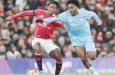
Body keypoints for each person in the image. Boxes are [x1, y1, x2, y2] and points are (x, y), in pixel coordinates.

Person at [37, 0, 102, 75]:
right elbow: (53, 19)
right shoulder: (65, 15)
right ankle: (95, 72)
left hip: (87, 38)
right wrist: (42, 20)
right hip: (76, 40)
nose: (70, 10)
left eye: (72, 7)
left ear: (76, 7)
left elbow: (93, 14)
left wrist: (99, 23)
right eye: (68, 8)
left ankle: (89, 50)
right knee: (83, 58)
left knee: (92, 57)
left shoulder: (84, 12)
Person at [5, 1, 62, 75]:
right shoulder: (40, 12)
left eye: (54, 8)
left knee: (58, 58)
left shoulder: (56, 18)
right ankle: (41, 71)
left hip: (48, 40)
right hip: (37, 38)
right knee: (37, 46)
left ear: (56, 10)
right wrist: (13, 17)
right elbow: (25, 13)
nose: (51, 9)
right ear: (48, 6)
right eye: (50, 7)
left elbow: (60, 24)